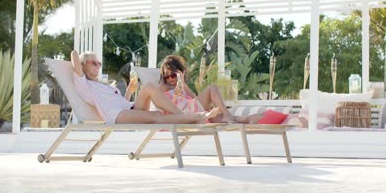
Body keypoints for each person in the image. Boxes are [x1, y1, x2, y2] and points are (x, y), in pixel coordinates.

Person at [70, 50, 210, 124]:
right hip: (116, 116)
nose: (99, 65)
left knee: (149, 88)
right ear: (83, 64)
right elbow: (74, 55)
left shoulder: (102, 85)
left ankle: (188, 117)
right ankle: (191, 118)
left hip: (127, 108)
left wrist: (129, 92)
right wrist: (82, 61)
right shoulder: (84, 84)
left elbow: (118, 102)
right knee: (155, 117)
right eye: (94, 62)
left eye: (99, 63)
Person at [159, 55, 261, 124]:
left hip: (192, 110)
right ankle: (227, 114)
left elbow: (194, 98)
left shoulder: (182, 86)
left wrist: (183, 85)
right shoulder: (164, 87)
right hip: (183, 114)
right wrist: (179, 85)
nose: (170, 78)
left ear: (180, 73)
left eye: (173, 75)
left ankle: (246, 119)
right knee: (212, 88)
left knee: (216, 117)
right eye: (166, 76)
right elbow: (170, 105)